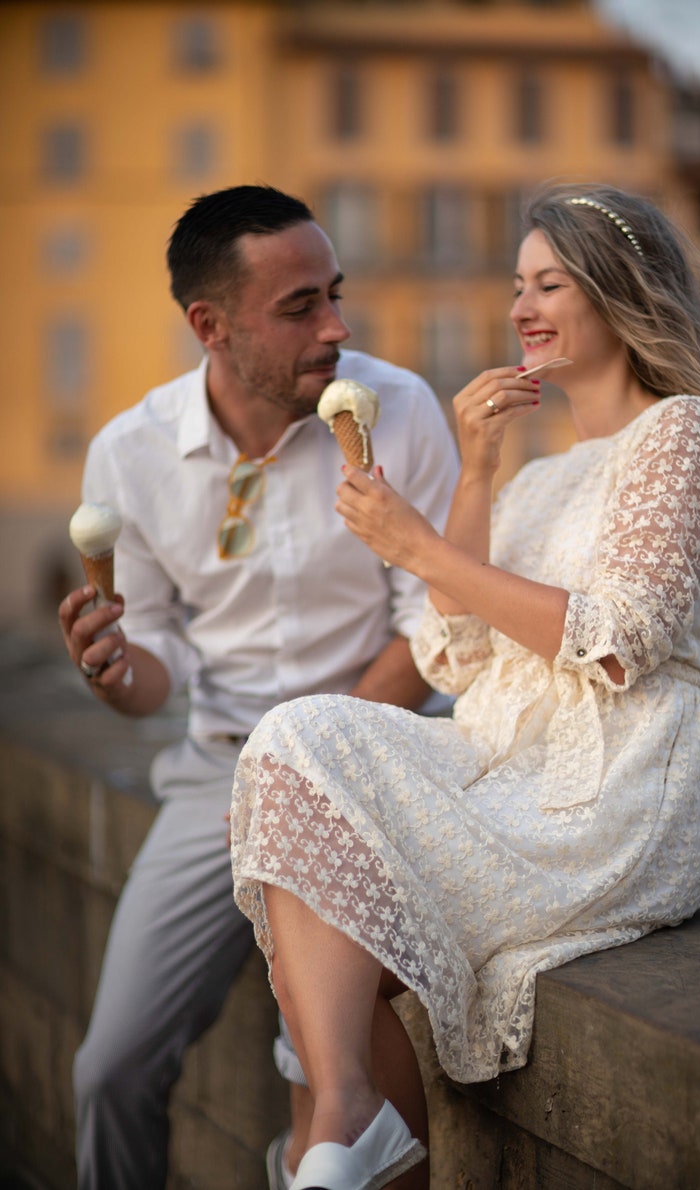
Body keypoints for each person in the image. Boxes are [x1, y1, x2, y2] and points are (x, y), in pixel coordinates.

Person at [229, 180, 700, 1190]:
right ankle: (349, 1118)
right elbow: (453, 654)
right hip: (496, 760)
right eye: (516, 284)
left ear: (617, 293)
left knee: (329, 950)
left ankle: (331, 1123)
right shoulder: (534, 475)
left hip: (620, 776)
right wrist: (474, 473)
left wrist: (419, 542)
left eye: (548, 283)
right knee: (295, 741)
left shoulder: (685, 434)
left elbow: (616, 642)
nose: (519, 307)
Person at [58, 183, 460, 1190]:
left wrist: (316, 752)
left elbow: (433, 624)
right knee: (107, 1070)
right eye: (298, 307)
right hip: (219, 777)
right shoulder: (129, 453)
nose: (336, 326)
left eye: (333, 292)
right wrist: (113, 671)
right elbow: (157, 672)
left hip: (384, 758)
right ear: (210, 323)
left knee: (326, 1053)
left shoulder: (401, 408)